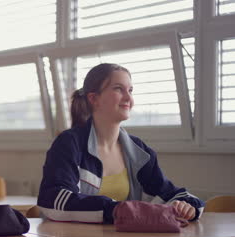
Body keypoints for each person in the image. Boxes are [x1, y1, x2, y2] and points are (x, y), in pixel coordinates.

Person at [37, 63, 204, 224]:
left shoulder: (138, 150)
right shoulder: (69, 143)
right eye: (118, 89)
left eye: (130, 90)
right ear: (94, 98)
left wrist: (188, 207)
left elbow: (173, 194)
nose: (128, 97)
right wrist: (118, 210)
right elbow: (53, 199)